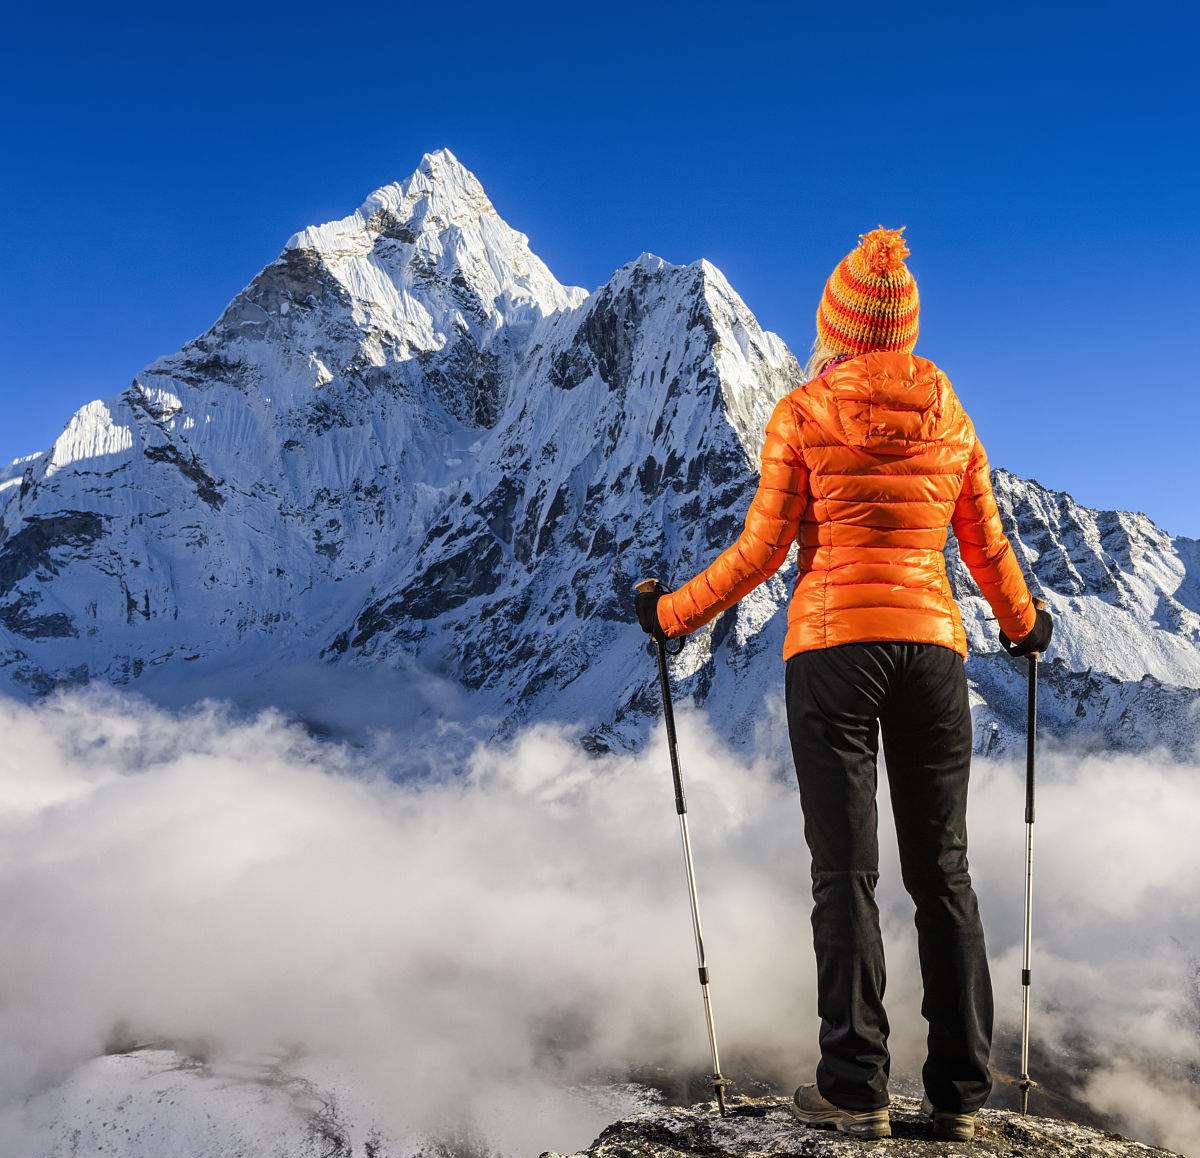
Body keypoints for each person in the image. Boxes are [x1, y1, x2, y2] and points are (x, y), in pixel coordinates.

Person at [634, 227, 1053, 1142]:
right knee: (944, 871)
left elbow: (760, 553)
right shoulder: (951, 413)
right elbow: (984, 545)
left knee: (846, 874)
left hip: (831, 654)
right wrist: (1024, 627)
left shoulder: (803, 412)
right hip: (936, 655)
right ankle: (959, 1097)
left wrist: (670, 615)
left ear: (836, 325)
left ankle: (855, 1088)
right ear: (904, 329)